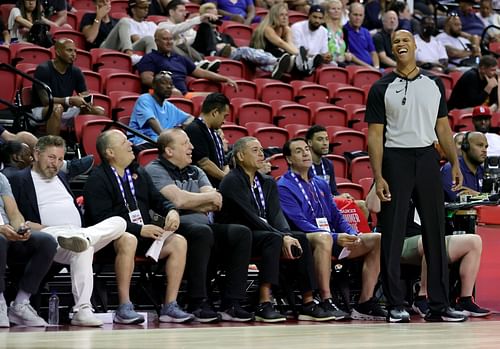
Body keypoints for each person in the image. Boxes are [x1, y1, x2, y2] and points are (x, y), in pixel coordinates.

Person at [365, 29, 467, 322]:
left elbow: (444, 129)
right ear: (392, 49)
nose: (400, 44)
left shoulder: (434, 84)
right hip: (395, 159)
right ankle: (395, 304)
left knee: (435, 232)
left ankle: (439, 304)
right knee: (393, 232)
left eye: (405, 40)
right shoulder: (380, 87)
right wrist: (378, 175)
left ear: (414, 46)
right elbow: (374, 136)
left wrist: (455, 164)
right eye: (395, 41)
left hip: (426, 158)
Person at [8, 135, 134, 327]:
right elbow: (15, 218)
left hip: (74, 235)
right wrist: (43, 228)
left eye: (60, 160)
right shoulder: (18, 179)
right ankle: (82, 308)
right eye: (51, 157)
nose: (55, 164)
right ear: (36, 154)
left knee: (118, 223)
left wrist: (78, 234)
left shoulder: (61, 177)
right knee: (83, 246)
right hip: (46, 236)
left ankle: (82, 310)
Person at [217, 136, 336, 322]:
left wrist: (287, 235)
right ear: (240, 156)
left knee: (301, 238)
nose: (261, 154)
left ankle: (308, 302)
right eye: (255, 150)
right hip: (239, 235)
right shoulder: (231, 181)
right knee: (272, 239)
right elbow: (250, 217)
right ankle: (264, 302)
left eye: (261, 150)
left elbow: (276, 215)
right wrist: (281, 236)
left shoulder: (267, 182)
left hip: (264, 232)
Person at [83, 129, 195, 323]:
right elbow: (101, 219)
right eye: (124, 142)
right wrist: (138, 229)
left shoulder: (137, 173)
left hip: (142, 235)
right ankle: (124, 306)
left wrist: (171, 211)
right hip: (109, 242)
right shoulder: (96, 179)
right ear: (110, 152)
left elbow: (158, 199)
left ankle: (170, 306)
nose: (130, 145)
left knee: (178, 242)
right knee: (128, 238)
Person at [145, 128, 253, 322]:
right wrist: (202, 200)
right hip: (171, 230)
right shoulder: (154, 170)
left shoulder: (196, 170)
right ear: (169, 151)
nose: (192, 147)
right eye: (185, 143)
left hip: (202, 228)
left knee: (241, 233)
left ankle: (232, 303)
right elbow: (177, 201)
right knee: (202, 232)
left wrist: (196, 200)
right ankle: (197, 301)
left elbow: (216, 201)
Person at [277, 138, 386, 321]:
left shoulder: (320, 183)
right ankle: (326, 299)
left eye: (306, 149)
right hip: (305, 239)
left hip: (330, 236)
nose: (305, 153)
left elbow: (336, 215)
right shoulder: (283, 186)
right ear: (288, 159)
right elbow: (299, 223)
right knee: (323, 238)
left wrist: (352, 234)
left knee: (376, 238)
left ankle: (365, 302)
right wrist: (335, 237)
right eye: (298, 151)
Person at [365, 185, 492, 318]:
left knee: (474, 242)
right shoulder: (390, 178)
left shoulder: (422, 180)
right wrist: (379, 177)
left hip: (421, 238)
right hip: (397, 242)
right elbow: (373, 207)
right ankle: (422, 297)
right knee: (430, 241)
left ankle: (465, 300)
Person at [0, 172, 57, 327]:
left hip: (8, 232)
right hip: (1, 235)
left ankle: (20, 304)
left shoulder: (1, 178)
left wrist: (20, 228)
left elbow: (13, 213)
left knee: (47, 241)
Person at [191, 2, 291, 80]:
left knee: (249, 59)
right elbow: (200, 44)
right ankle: (277, 61)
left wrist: (229, 48)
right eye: (209, 16)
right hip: (210, 57)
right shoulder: (202, 29)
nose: (213, 18)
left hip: (231, 56)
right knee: (244, 50)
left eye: (215, 16)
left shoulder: (225, 36)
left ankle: (274, 68)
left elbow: (236, 50)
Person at [32, 38, 105, 136]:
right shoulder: (43, 69)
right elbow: (46, 100)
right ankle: (52, 147)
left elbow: (85, 95)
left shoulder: (76, 72)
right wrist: (69, 100)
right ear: (57, 52)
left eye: (75, 51)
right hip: (42, 110)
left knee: (99, 111)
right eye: (69, 50)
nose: (74, 54)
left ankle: (87, 148)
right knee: (56, 108)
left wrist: (86, 103)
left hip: (66, 110)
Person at [136, 28, 238, 95]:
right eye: (165, 39)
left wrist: (225, 79)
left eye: (171, 39)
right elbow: (147, 79)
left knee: (216, 98)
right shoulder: (149, 58)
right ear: (157, 41)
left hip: (185, 95)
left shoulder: (180, 58)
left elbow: (201, 72)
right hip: (161, 95)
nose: (169, 42)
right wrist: (169, 89)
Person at [128, 71, 194, 150]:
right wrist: (169, 140)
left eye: (171, 84)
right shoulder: (144, 99)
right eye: (164, 83)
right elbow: (152, 120)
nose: (169, 86)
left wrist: (184, 125)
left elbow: (191, 117)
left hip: (164, 144)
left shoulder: (169, 106)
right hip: (144, 141)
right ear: (154, 85)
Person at [250, 3, 313, 75]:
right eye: (281, 15)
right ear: (274, 16)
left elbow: (290, 44)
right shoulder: (267, 29)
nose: (285, 17)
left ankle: (306, 66)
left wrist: (301, 57)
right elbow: (281, 44)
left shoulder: (286, 29)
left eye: (286, 15)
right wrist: (300, 55)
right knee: (285, 56)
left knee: (288, 55)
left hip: (276, 54)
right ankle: (304, 65)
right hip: (262, 55)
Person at [184, 93, 230, 188]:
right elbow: (204, 163)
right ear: (215, 113)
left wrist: (226, 180)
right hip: (203, 187)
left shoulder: (215, 133)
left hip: (219, 184)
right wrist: (227, 179)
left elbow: (224, 164)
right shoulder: (194, 129)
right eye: (224, 116)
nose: (224, 121)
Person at [441, 131, 488, 201]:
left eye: (486, 146)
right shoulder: (452, 169)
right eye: (480, 145)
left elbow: (495, 197)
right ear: (466, 147)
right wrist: (483, 196)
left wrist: (477, 194)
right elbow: (457, 199)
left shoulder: (484, 170)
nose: (484, 150)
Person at [291, 5, 329, 70]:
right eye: (315, 17)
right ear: (309, 16)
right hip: (298, 61)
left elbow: (324, 52)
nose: (317, 20)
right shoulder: (296, 27)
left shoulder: (324, 31)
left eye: (320, 18)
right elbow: (296, 51)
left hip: (316, 62)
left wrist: (327, 57)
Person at [342, 3, 379, 69]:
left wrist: (376, 67)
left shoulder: (366, 32)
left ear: (364, 16)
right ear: (349, 15)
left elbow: (373, 52)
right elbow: (350, 56)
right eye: (355, 15)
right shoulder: (343, 31)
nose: (358, 18)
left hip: (371, 68)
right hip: (355, 68)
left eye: (360, 15)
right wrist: (369, 67)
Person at [323, 0, 351, 66]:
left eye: (339, 9)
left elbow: (346, 51)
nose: (336, 11)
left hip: (342, 63)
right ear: (327, 11)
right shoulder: (323, 27)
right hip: (326, 63)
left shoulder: (344, 30)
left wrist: (348, 55)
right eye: (333, 9)